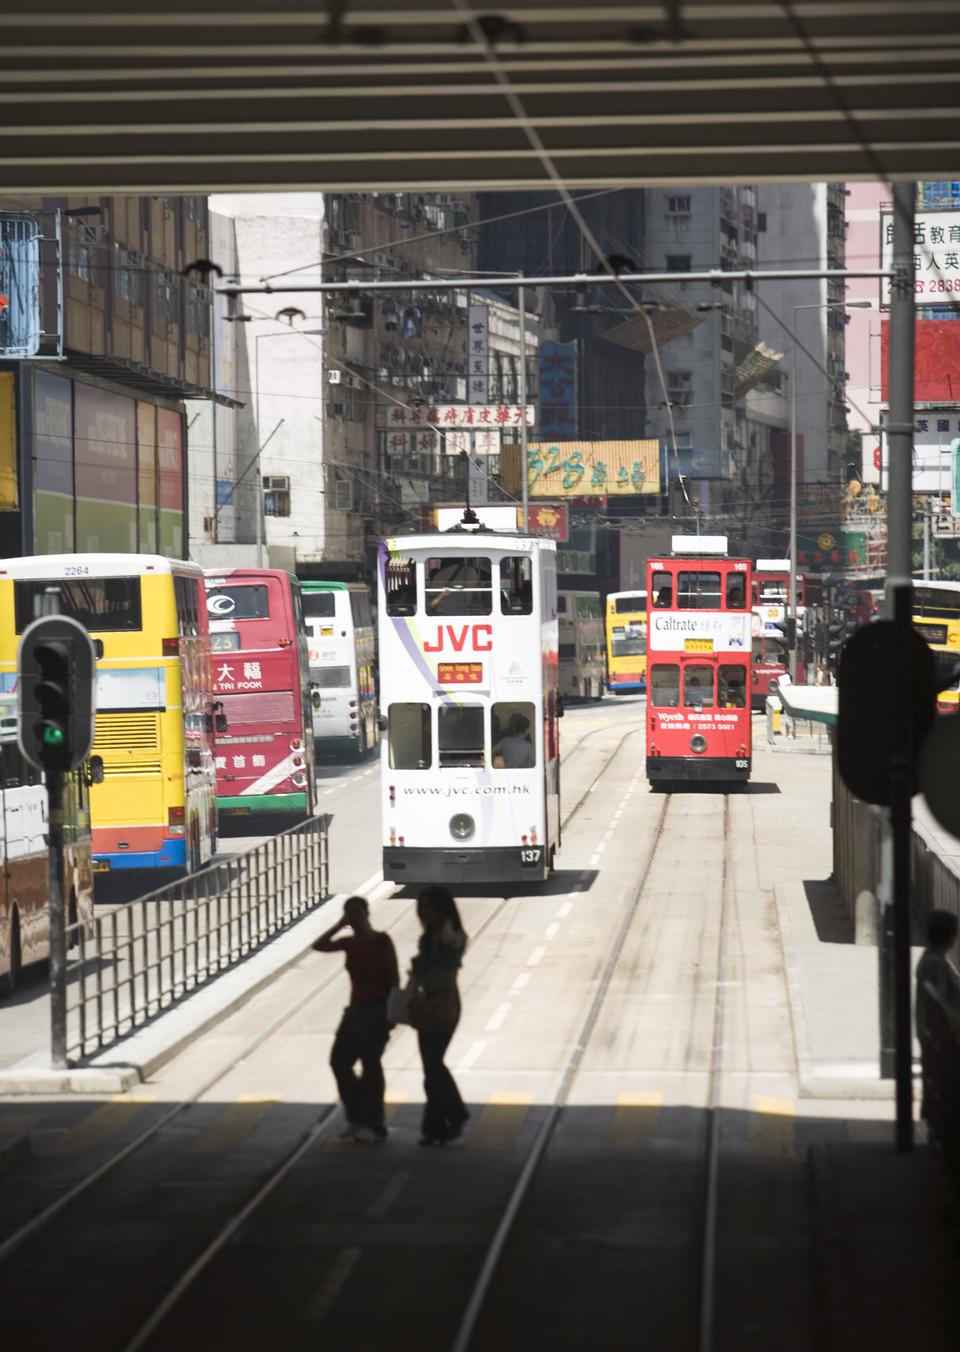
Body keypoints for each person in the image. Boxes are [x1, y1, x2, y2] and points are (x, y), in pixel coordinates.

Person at [313, 896, 400, 1144]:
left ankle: (374, 1123)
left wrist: (390, 1014)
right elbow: (318, 945)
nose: (355, 917)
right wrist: (340, 924)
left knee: (371, 1066)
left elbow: (394, 979)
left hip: (376, 1011)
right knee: (339, 1061)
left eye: (357, 912)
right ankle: (356, 1117)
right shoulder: (349, 943)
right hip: (353, 1012)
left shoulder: (382, 941)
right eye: (350, 914)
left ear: (367, 913)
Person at [412, 885, 470, 1146]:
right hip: (426, 1005)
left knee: (434, 1063)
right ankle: (434, 1128)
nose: (423, 911)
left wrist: (446, 930)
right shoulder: (427, 938)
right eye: (420, 906)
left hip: (445, 1004)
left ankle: (456, 1115)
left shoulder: (452, 934)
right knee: (429, 1067)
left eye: (428, 906)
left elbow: (454, 950)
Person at [915, 909, 960, 1138]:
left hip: (931, 1032)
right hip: (943, 1037)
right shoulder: (937, 965)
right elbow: (943, 1005)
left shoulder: (929, 959)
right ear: (950, 936)